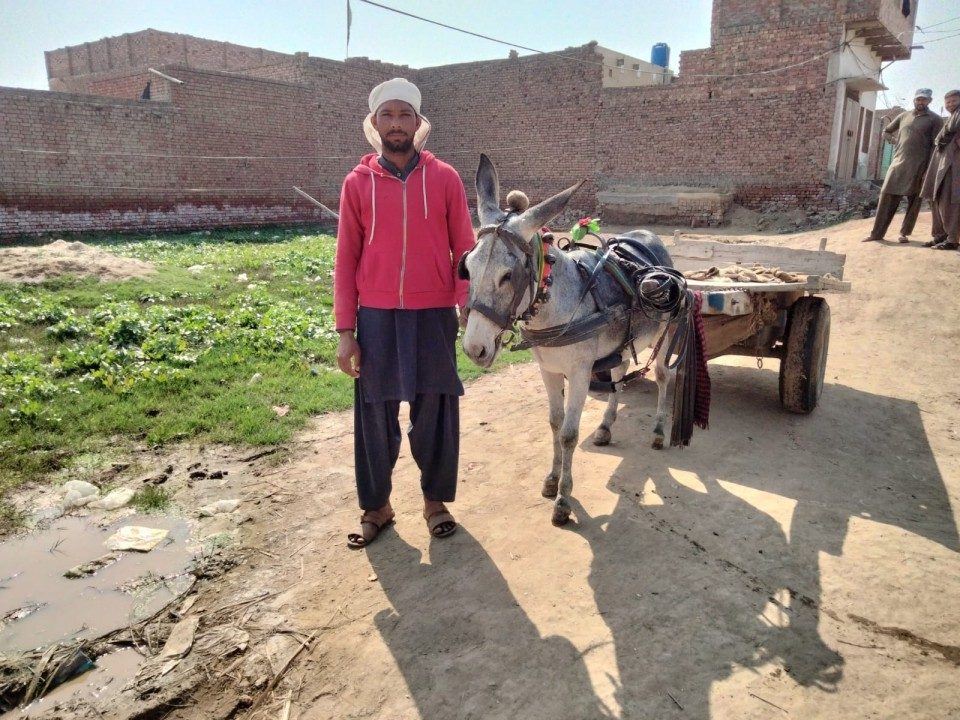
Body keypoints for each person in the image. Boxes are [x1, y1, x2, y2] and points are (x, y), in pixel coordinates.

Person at [333, 78, 476, 548]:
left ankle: (435, 501)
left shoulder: (446, 178)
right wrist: (345, 331)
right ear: (375, 124)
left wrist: (467, 307)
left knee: (436, 411)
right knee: (374, 416)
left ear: (419, 123)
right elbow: (346, 259)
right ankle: (377, 506)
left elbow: (465, 251)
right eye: (388, 115)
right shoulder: (357, 184)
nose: (397, 124)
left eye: (405, 115)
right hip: (376, 317)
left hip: (433, 314)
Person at [864, 88, 943, 244]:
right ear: (914, 100)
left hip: (920, 167)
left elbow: (936, 147)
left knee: (914, 201)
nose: (921, 102)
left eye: (924, 99)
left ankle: (904, 233)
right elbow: (886, 131)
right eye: (918, 99)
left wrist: (928, 170)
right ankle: (876, 234)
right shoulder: (903, 116)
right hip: (898, 164)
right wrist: (894, 141)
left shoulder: (935, 119)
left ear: (930, 101)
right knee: (886, 196)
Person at [920, 89, 960, 250]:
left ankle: (952, 239)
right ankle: (940, 235)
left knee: (949, 201)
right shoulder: (952, 118)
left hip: (954, 164)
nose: (950, 104)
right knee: (935, 198)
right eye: (948, 102)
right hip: (941, 163)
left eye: (954, 101)